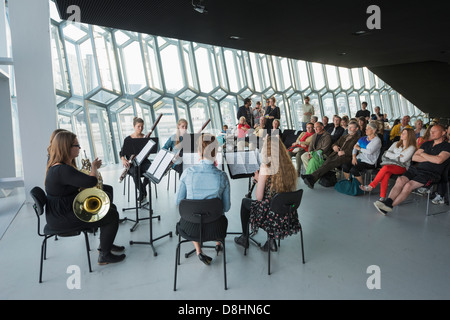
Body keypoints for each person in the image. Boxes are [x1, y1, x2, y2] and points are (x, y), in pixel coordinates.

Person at [45, 131, 125, 265]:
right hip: (63, 218)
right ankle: (104, 255)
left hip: (60, 212)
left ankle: (106, 244)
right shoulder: (63, 170)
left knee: (110, 208)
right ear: (67, 148)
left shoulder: (58, 167)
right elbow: (91, 182)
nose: (79, 148)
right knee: (112, 215)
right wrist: (94, 167)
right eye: (77, 145)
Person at [234, 135, 300, 252]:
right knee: (273, 202)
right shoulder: (289, 166)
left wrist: (259, 179)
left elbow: (259, 197)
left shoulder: (266, 166)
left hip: (271, 216)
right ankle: (271, 241)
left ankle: (245, 237)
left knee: (246, 202)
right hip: (287, 213)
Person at [176, 134, 231, 265]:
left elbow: (178, 202)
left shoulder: (187, 173)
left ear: (199, 151)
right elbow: (226, 207)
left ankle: (199, 251)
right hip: (215, 228)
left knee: (193, 212)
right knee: (218, 213)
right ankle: (218, 243)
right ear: (216, 152)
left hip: (190, 228)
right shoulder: (222, 176)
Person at [374, 124, 450, 215]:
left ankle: (388, 206)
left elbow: (438, 160)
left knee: (408, 185)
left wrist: (423, 154)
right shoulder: (426, 144)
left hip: (431, 174)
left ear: (443, 133)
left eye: (435, 131)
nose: (432, 133)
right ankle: (388, 202)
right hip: (416, 169)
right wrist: (432, 158)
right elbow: (414, 158)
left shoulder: (447, 146)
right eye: (431, 131)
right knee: (400, 180)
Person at [360, 128, 417, 201]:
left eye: (404, 133)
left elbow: (403, 160)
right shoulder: (396, 143)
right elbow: (386, 154)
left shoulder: (412, 147)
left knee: (385, 168)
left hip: (402, 167)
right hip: (391, 165)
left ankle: (371, 186)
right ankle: (382, 197)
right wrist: (397, 156)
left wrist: (393, 155)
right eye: (402, 132)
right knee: (386, 173)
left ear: (409, 135)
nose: (401, 134)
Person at [301, 121, 360, 189]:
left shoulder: (358, 138)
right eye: (349, 127)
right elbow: (335, 143)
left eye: (351, 127)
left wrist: (344, 152)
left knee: (328, 163)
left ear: (356, 129)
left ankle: (311, 177)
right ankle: (311, 178)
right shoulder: (344, 136)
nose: (349, 129)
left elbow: (357, 150)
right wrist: (334, 146)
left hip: (346, 157)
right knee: (326, 163)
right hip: (335, 154)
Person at [119, 117, 152, 201]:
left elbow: (148, 153)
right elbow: (122, 153)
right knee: (135, 172)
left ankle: (143, 188)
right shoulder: (128, 139)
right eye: (138, 126)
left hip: (143, 162)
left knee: (151, 169)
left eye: (142, 126)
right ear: (134, 126)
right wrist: (123, 159)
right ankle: (142, 193)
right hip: (132, 163)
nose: (140, 129)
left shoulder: (145, 138)